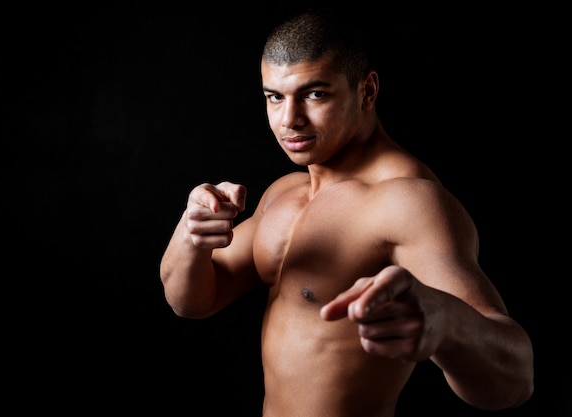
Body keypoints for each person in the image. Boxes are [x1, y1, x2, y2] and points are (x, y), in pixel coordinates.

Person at [159, 7, 534, 417]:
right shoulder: (286, 191)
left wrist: (448, 324)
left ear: (367, 91)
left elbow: (516, 380)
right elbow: (192, 301)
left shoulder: (407, 202)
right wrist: (192, 235)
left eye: (315, 94)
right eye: (275, 97)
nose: (290, 120)